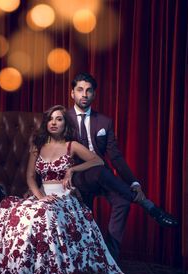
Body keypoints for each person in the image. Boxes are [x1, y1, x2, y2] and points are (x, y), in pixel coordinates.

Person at [0, 105, 142, 274]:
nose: (54, 122)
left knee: (45, 212)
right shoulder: (38, 146)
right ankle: (20, 269)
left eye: (59, 119)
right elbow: (30, 177)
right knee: (15, 210)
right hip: (42, 195)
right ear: (46, 123)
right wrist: (41, 197)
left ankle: (51, 271)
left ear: (65, 124)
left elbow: (97, 161)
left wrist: (73, 170)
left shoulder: (71, 145)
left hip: (65, 197)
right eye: (51, 119)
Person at [66, 72, 178, 261]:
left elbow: (115, 157)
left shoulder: (104, 122)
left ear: (94, 94)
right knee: (99, 169)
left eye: (89, 91)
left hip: (103, 178)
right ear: (72, 94)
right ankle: (149, 206)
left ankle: (111, 260)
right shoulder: (62, 118)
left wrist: (134, 182)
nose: (84, 94)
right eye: (80, 90)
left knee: (122, 201)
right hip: (78, 178)